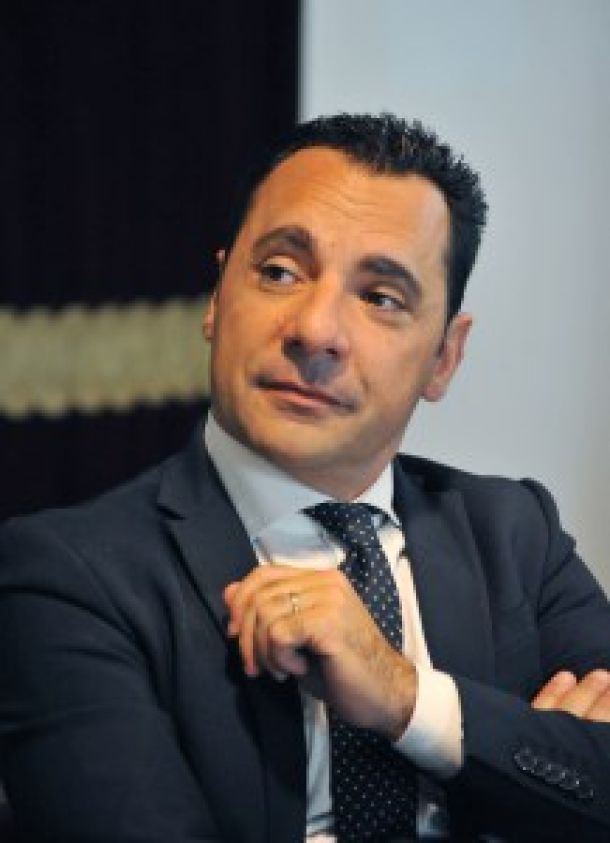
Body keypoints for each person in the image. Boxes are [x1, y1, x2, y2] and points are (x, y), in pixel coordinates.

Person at [1, 113, 609, 842]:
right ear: (218, 298)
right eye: (280, 272)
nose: (315, 330)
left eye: (380, 297)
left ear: (444, 358)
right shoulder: (66, 577)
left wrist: (409, 700)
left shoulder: (513, 534)